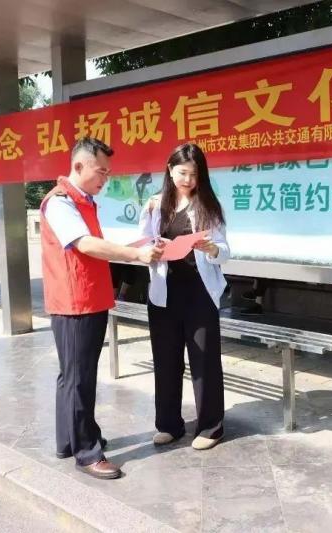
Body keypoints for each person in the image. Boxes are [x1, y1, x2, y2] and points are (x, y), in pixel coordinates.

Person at [41, 137, 162, 480]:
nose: (105, 179)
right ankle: (87, 453)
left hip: (85, 297)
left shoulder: (82, 201)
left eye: (108, 172)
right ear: (79, 165)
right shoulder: (61, 202)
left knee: (72, 375)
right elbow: (86, 244)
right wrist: (136, 254)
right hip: (75, 301)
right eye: (101, 171)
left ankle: (69, 439)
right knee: (79, 378)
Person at [139, 143, 230, 451]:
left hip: (199, 293)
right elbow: (143, 241)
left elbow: (225, 250)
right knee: (166, 360)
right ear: (169, 170)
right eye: (182, 173)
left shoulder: (209, 207)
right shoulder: (155, 205)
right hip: (164, 293)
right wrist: (151, 247)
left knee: (204, 361)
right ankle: (169, 425)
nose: (188, 180)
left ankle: (211, 427)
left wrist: (213, 249)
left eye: (194, 174)